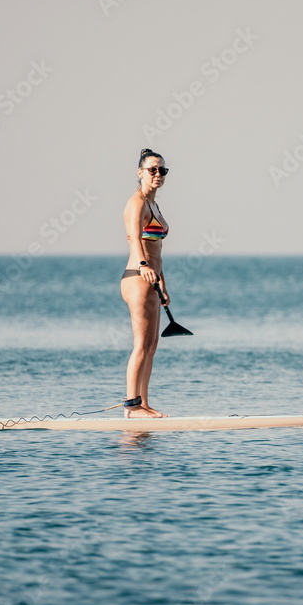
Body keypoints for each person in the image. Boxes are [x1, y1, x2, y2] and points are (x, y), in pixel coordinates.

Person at [120, 148, 171, 418]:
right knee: (141, 343)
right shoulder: (137, 202)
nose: (158, 174)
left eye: (162, 170)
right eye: (152, 169)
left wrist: (162, 283)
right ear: (140, 173)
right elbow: (133, 238)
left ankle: (144, 404)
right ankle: (132, 406)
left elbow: (157, 250)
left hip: (152, 279)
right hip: (137, 278)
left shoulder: (154, 204)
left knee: (152, 344)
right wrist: (142, 265)